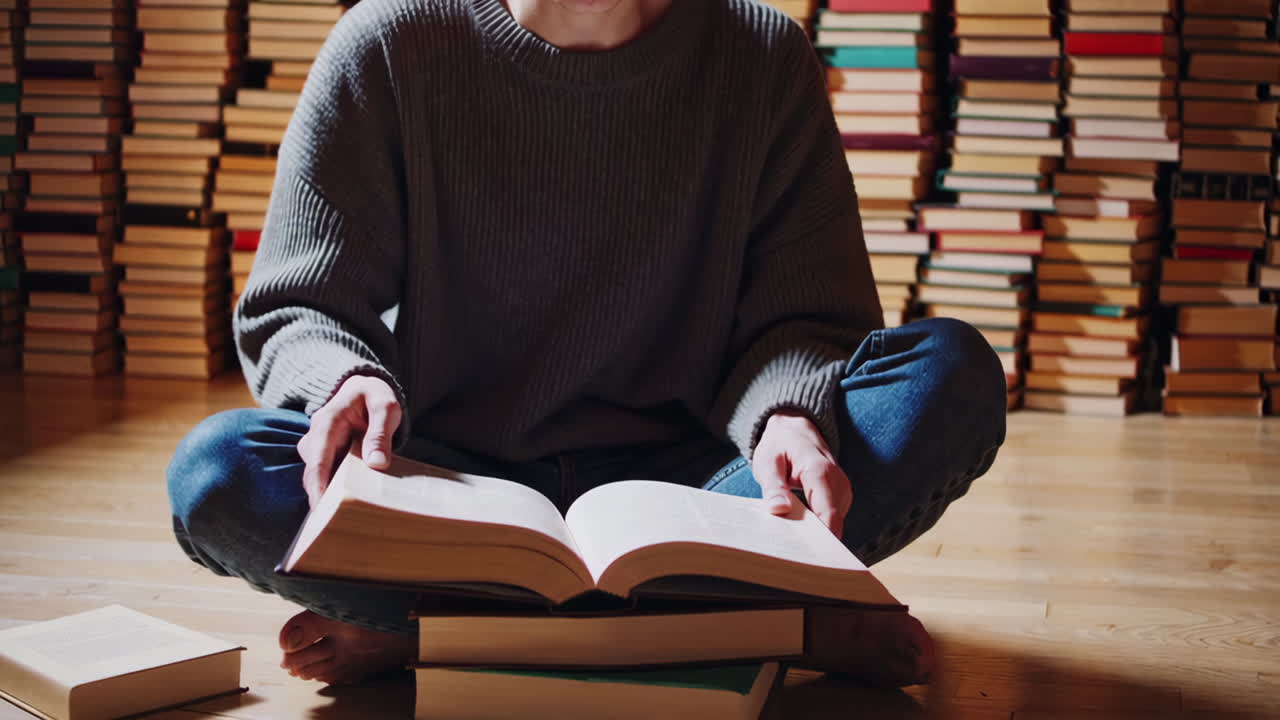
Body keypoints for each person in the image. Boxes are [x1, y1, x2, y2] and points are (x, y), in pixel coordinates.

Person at [167, 0, 1006, 688]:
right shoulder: (389, 44)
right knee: (218, 474)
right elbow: (298, 303)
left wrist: (785, 414)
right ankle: (762, 628)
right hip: (453, 501)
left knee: (950, 375)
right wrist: (343, 381)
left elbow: (809, 318)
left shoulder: (763, 54)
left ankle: (432, 638)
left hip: (705, 498)